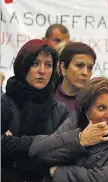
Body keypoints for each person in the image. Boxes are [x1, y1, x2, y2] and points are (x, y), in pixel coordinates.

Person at [29, 76, 108, 182]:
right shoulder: (72, 125)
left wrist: (58, 172)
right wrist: (79, 140)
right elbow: (37, 153)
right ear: (86, 110)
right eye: (101, 107)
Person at [1, 39, 70, 182]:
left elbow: (64, 151)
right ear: (22, 65)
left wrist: (13, 142)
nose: (42, 71)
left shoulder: (60, 111)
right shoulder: (4, 103)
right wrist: (47, 143)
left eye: (48, 65)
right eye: (35, 64)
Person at [55, 42, 97, 111]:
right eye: (79, 65)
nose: (85, 73)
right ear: (63, 68)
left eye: (90, 68)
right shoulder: (46, 97)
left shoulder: (94, 101)